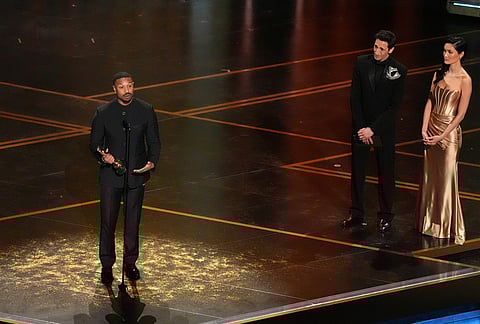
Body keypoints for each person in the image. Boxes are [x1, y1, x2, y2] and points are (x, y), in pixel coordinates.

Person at [90, 72, 161, 285]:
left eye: (130, 85)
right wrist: (104, 156)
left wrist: (152, 161)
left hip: (136, 175)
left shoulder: (146, 110)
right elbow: (94, 143)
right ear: (114, 89)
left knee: (133, 222)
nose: (127, 90)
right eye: (122, 87)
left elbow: (154, 141)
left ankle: (130, 263)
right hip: (111, 177)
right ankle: (106, 266)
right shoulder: (103, 112)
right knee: (108, 222)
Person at [342, 30, 407, 233]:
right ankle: (356, 213)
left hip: (381, 131)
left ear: (391, 49)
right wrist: (362, 127)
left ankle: (386, 216)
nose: (377, 51)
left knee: (385, 171)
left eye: (381, 48)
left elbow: (393, 108)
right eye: (375, 46)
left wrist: (373, 129)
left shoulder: (399, 70)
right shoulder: (361, 63)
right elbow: (355, 97)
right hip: (361, 129)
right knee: (358, 170)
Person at [416, 36, 472, 245]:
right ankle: (429, 223)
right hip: (431, 129)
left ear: (461, 54)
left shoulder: (465, 80)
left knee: (447, 178)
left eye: (450, 52)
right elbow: (429, 102)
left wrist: (442, 135)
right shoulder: (438, 73)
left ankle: (447, 226)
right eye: (444, 51)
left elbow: (461, 114)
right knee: (430, 177)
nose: (445, 55)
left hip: (448, 134)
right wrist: (424, 128)